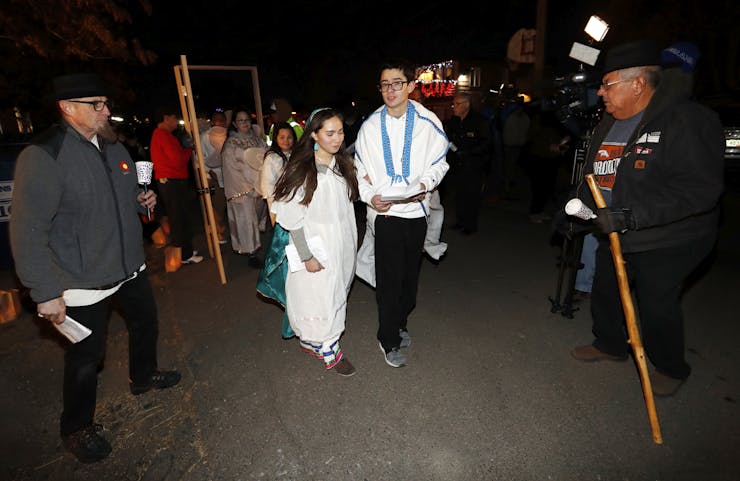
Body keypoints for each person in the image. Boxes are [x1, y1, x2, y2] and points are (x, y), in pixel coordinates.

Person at [9, 73, 181, 463]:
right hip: (81, 279)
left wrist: (143, 200)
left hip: (128, 266)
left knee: (146, 324)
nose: (107, 111)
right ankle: (77, 427)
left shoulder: (112, 146)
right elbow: (27, 229)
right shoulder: (44, 155)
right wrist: (45, 291)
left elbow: (124, 198)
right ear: (67, 109)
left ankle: (143, 376)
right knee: (87, 358)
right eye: (96, 104)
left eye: (106, 103)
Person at [568, 40, 725, 397]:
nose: (601, 93)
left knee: (656, 301)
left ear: (637, 83)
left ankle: (670, 366)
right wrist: (575, 211)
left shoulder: (686, 119)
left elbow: (699, 191)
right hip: (615, 228)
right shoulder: (609, 123)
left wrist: (630, 216)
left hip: (670, 236)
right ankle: (609, 343)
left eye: (608, 85)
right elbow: (597, 176)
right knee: (606, 289)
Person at [354, 60, 450, 368]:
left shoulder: (428, 121)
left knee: (410, 279)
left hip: (417, 213)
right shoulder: (370, 127)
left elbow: (440, 161)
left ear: (410, 86)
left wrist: (425, 183)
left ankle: (400, 321)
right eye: (385, 84)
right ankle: (387, 337)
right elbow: (360, 172)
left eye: (397, 83)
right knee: (389, 278)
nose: (390, 90)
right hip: (385, 214)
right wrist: (371, 198)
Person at [269, 107, 359, 376]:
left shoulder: (342, 164)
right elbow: (291, 218)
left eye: (340, 132)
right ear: (314, 136)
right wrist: (307, 256)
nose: (337, 138)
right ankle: (331, 351)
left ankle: (311, 341)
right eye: (329, 133)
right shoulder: (302, 171)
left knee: (336, 291)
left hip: (343, 240)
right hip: (317, 246)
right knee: (321, 298)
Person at [149, 106, 203, 264]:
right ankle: (184, 255)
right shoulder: (163, 135)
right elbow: (177, 160)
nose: (175, 122)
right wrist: (187, 149)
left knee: (179, 217)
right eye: (174, 118)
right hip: (172, 182)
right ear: (166, 118)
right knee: (179, 218)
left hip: (170, 181)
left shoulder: (161, 135)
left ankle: (185, 251)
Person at [221, 108, 268, 267]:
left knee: (256, 217)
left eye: (247, 119)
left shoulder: (258, 140)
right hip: (244, 190)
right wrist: (247, 188)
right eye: (241, 120)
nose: (245, 123)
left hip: (260, 186)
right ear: (234, 123)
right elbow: (230, 168)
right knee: (247, 221)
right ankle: (252, 254)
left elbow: (267, 158)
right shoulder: (231, 144)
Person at [444, 91, 493, 234]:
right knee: (459, 195)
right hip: (456, 165)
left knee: (471, 196)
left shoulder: (479, 121)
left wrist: (470, 152)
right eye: (454, 104)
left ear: (467, 105)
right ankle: (460, 221)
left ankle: (470, 225)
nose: (454, 107)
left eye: (458, 104)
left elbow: (486, 143)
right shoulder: (453, 121)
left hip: (473, 165)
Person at [522, 107, 568, 223]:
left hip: (549, 161)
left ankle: (539, 210)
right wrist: (554, 147)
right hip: (540, 160)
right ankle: (534, 212)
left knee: (546, 187)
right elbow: (539, 143)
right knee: (539, 188)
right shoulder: (540, 128)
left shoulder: (552, 127)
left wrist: (561, 147)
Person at [199, 110, 229, 244]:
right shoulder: (204, 137)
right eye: (218, 120)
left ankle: (223, 230)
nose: (221, 123)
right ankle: (218, 232)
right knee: (218, 205)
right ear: (212, 122)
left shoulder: (229, 135)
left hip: (229, 175)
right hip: (214, 174)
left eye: (223, 120)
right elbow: (200, 157)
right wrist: (206, 175)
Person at [259, 121, 297, 226]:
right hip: (280, 203)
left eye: (289, 137)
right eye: (282, 137)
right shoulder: (272, 158)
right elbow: (268, 185)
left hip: (297, 201)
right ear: (276, 138)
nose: (286, 140)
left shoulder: (297, 156)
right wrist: (274, 211)